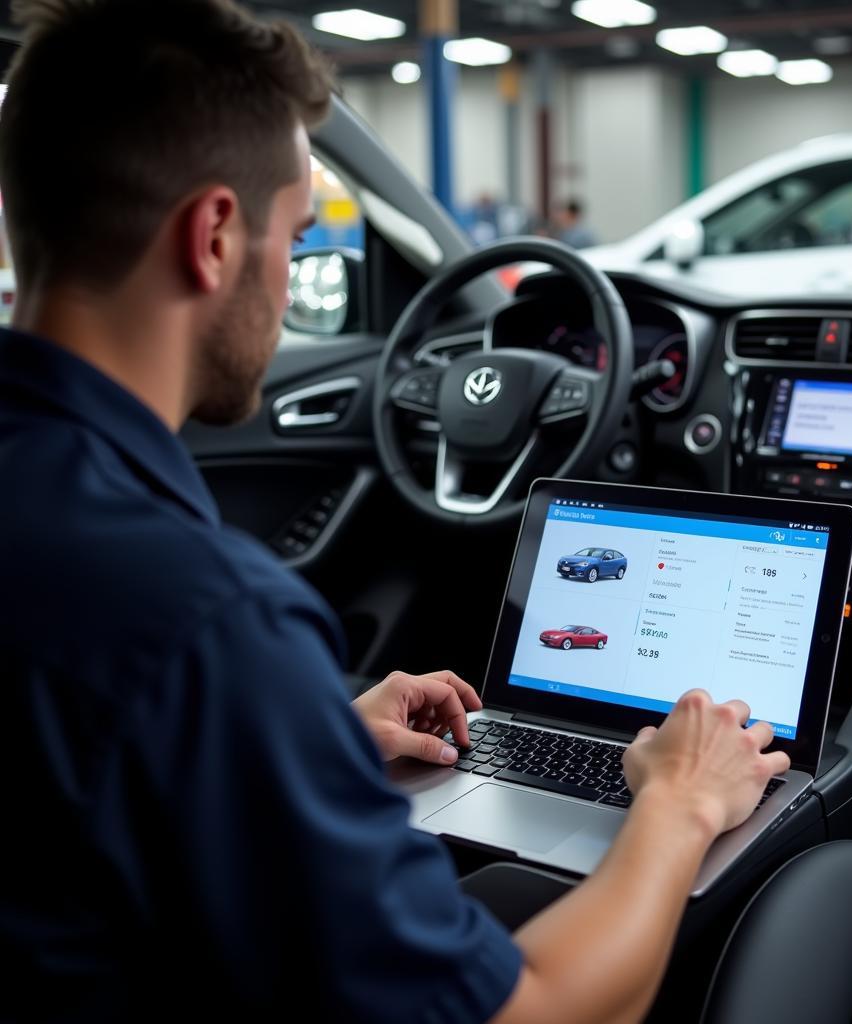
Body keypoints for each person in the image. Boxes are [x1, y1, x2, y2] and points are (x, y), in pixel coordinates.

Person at [0, 2, 790, 1021]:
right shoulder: (208, 622)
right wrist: (680, 801)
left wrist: (303, 733)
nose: (290, 285)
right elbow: (530, 1011)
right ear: (212, 236)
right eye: (294, 239)